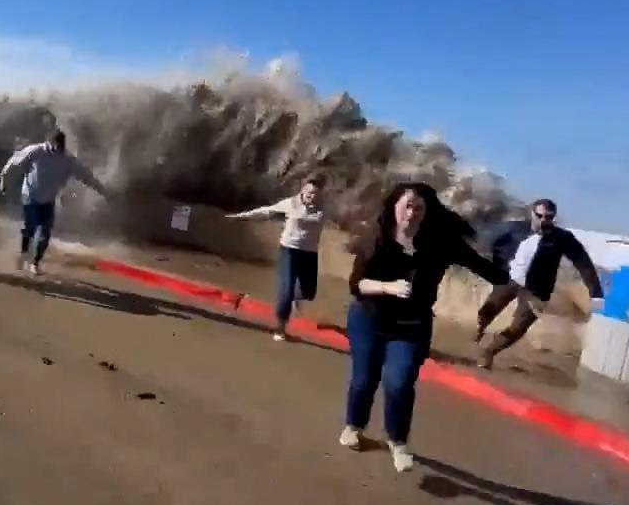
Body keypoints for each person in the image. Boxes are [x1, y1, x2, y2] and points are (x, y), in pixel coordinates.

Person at [341, 182, 509, 472]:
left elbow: (488, 271)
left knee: (399, 382)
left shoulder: (441, 242)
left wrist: (511, 267)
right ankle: (354, 425)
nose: (412, 213)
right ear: (394, 206)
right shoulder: (377, 236)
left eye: (418, 208)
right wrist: (388, 287)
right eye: (407, 206)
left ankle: (398, 442)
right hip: (368, 318)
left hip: (412, 324)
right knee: (364, 380)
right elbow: (357, 284)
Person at [474, 198, 604, 369]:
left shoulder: (562, 238)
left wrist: (596, 293)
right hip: (510, 279)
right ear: (532, 214)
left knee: (519, 328)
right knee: (487, 311)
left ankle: (488, 352)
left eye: (549, 217)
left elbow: (583, 262)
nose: (544, 220)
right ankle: (478, 331)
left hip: (537, 290)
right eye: (540, 215)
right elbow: (487, 242)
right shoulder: (514, 228)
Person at [226, 176, 328, 341]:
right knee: (286, 289)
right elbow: (266, 211)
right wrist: (240, 216)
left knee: (308, 292)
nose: (312, 196)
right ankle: (280, 327)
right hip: (289, 250)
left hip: (309, 253)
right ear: (302, 190)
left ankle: (295, 298)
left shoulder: (323, 208)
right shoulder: (290, 203)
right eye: (309, 192)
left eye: (316, 194)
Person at [0, 130, 109, 275]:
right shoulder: (35, 151)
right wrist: (3, 179)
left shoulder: (67, 158)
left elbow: (85, 175)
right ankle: (24, 255)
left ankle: (35, 263)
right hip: (30, 196)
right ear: (49, 142)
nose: (58, 150)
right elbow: (14, 161)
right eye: (56, 146)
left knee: (45, 232)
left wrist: (101, 189)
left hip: (49, 199)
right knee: (29, 229)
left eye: (61, 146)